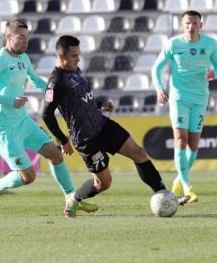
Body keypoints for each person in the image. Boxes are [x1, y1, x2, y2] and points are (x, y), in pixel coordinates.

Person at [0, 19, 97, 217]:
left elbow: (35, 80)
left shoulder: (23, 58)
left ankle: (70, 198)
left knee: (55, 155)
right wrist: (10, 100)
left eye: (27, 37)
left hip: (23, 122)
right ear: (8, 37)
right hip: (5, 129)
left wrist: (57, 93)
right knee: (28, 176)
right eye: (21, 37)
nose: (25, 41)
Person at [41, 35, 172, 216]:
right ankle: (74, 199)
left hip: (103, 125)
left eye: (79, 55)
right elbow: (46, 114)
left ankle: (163, 192)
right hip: (86, 140)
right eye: (74, 56)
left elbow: (82, 99)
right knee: (103, 184)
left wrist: (100, 104)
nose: (78, 59)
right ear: (61, 56)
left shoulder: (75, 69)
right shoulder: (55, 82)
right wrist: (63, 140)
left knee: (139, 153)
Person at [152, 10, 217, 203]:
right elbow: (156, 68)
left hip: (200, 99)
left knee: (193, 145)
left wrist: (215, 73)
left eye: (194, 23)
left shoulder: (210, 44)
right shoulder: (174, 44)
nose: (190, 27)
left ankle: (178, 179)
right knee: (180, 141)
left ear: (201, 25)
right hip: (179, 98)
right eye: (187, 23)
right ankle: (187, 187)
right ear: (182, 25)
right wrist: (159, 88)